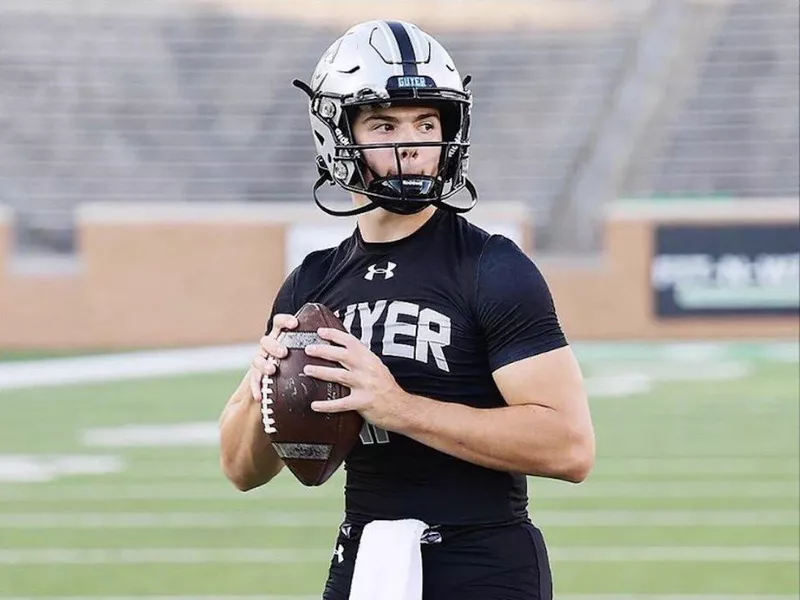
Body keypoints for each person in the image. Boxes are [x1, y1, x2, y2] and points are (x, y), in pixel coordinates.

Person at [219, 19, 595, 600]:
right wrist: (261, 383)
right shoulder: (312, 282)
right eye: (384, 124)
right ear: (336, 133)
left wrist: (400, 408)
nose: (412, 144)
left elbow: (570, 446)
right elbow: (242, 469)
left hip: (484, 567)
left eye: (426, 122)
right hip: (366, 562)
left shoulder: (491, 267)